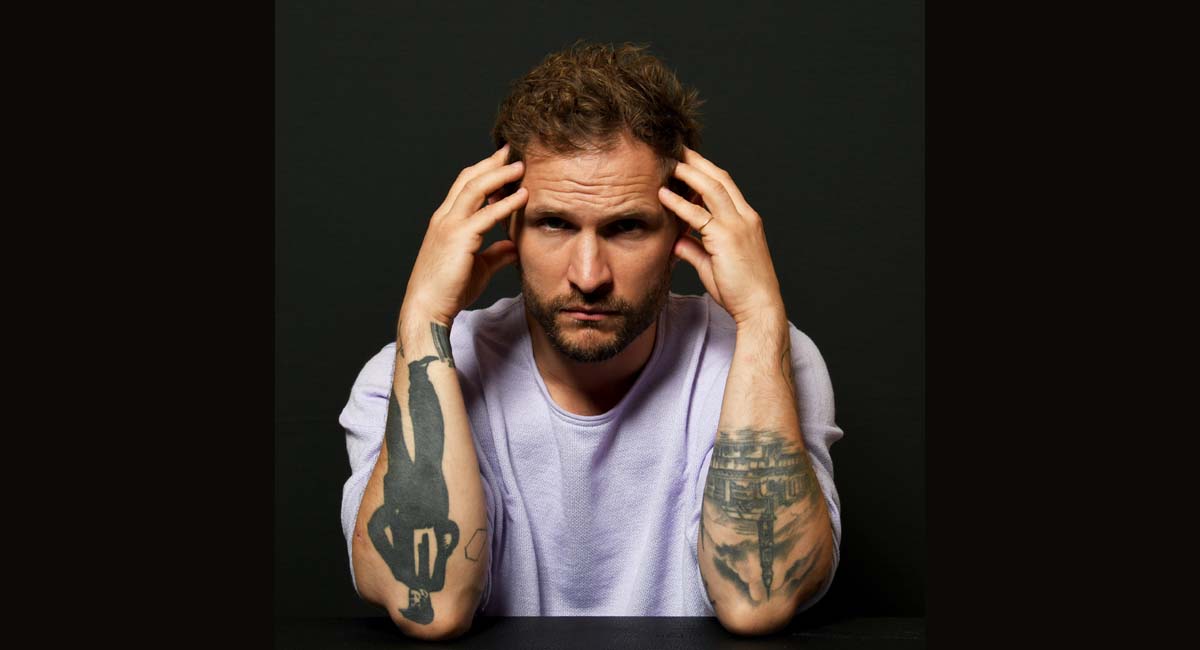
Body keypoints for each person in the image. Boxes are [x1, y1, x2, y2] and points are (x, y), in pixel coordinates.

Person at [338, 41, 844, 640]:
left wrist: (760, 315)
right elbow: (432, 606)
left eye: (627, 227)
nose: (588, 275)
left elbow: (760, 600)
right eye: (554, 223)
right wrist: (423, 315)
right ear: (506, 223)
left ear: (684, 228)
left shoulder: (770, 359)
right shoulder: (408, 371)